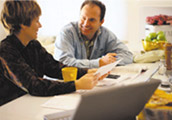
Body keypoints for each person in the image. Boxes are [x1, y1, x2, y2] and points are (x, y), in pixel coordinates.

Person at [0, 0, 99, 106]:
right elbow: (34, 85)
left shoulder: (33, 45)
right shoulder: (5, 50)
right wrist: (76, 85)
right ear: (23, 23)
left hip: (30, 103)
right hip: (10, 108)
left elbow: (54, 68)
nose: (40, 25)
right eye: (37, 21)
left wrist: (87, 72)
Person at [54, 0, 133, 69]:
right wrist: (98, 63)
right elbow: (63, 62)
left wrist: (109, 60)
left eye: (92, 20)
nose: (86, 24)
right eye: (83, 18)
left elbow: (128, 55)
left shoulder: (106, 34)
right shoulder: (66, 33)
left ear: (101, 22)